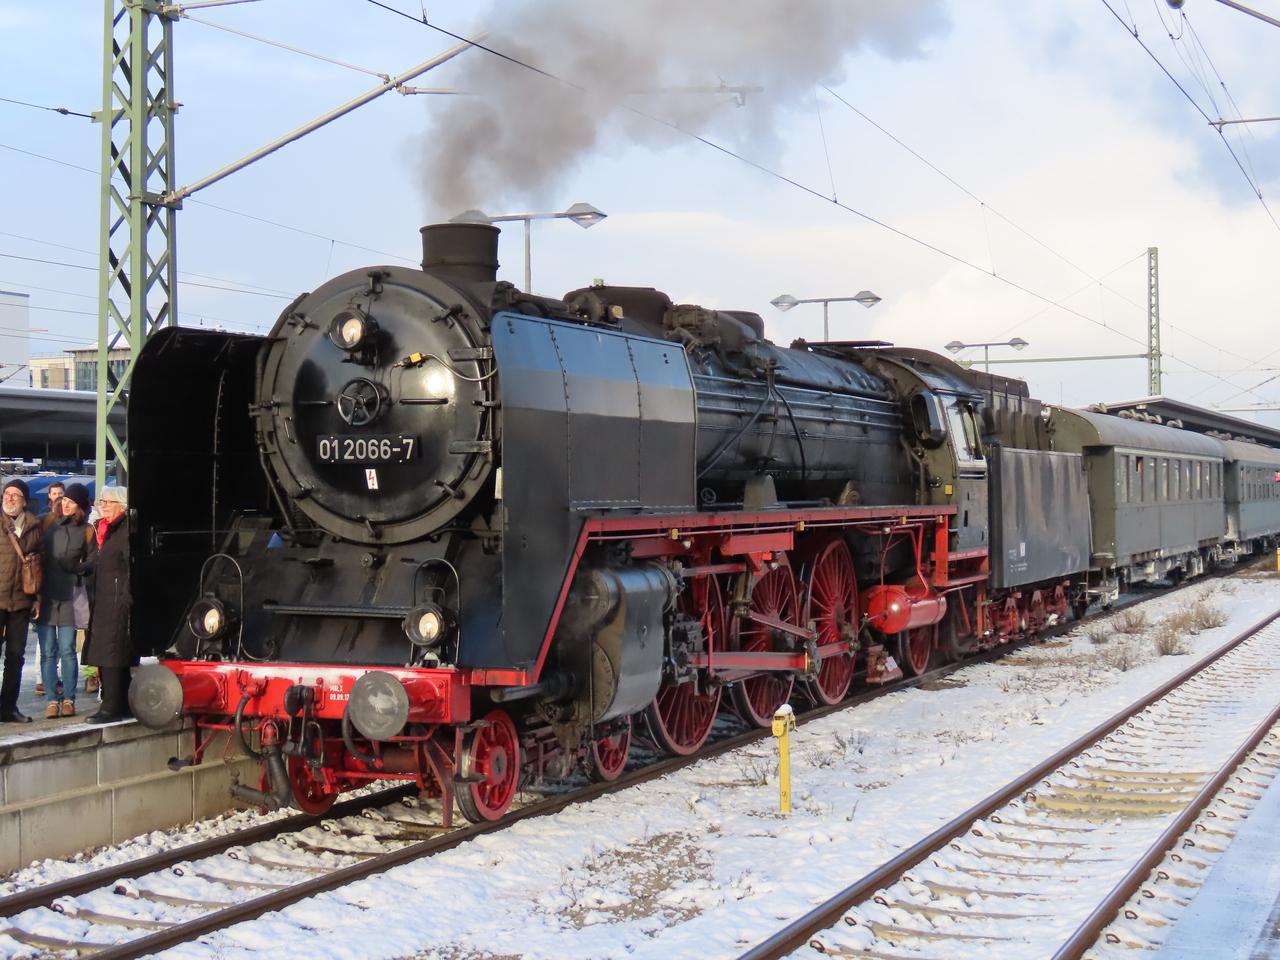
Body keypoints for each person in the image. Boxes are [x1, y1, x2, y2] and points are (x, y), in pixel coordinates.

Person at [35, 483, 94, 719]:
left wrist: (76, 567)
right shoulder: (46, 522)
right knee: (48, 652)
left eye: (72, 502)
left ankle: (69, 699)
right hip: (46, 596)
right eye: (65, 500)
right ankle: (52, 699)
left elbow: (93, 563)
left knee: (68, 650)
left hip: (70, 596)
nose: (66, 504)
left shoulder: (87, 530)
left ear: (80, 507)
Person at [82, 486, 131, 724]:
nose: (104, 506)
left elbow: (131, 567)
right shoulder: (106, 529)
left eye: (109, 502)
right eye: (102, 501)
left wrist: (124, 596)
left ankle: (111, 707)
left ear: (122, 506)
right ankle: (124, 704)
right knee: (111, 652)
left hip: (116, 600)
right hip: (103, 598)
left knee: (112, 653)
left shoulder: (125, 530)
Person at [0, 479, 43, 723]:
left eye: (15, 495)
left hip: (21, 600)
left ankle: (8, 707)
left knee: (15, 657)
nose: (9, 498)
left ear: (24, 501)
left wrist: (37, 598)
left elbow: (40, 565)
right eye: (7, 493)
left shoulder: (34, 527)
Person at [34, 480, 67, 696]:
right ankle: (43, 679)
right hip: (45, 589)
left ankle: (53, 680)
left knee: (63, 645)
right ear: (49, 496)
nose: (57, 497)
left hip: (63, 589)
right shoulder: (41, 520)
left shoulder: (72, 523)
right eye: (54, 493)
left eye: (60, 493)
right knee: (46, 643)